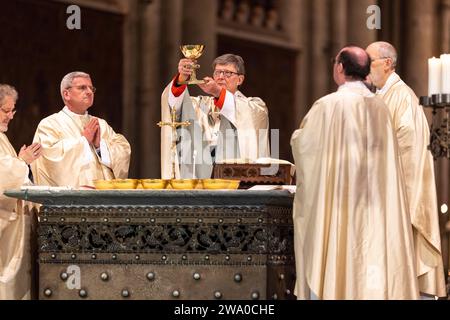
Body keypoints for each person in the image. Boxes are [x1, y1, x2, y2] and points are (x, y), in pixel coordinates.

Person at [290, 46, 420, 299]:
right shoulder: (380, 107)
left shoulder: (328, 105)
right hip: (374, 204)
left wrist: (297, 137)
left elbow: (305, 147)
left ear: (339, 68)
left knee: (338, 253)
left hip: (339, 204)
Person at [366, 41, 447, 298]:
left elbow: (409, 150)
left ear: (387, 63)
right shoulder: (381, 96)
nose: (366, 70)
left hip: (397, 199)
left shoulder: (402, 97)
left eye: (371, 62)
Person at [160, 53, 270, 179]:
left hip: (237, 177)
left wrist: (217, 92)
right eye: (217, 73)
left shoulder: (255, 106)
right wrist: (181, 79)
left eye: (227, 73)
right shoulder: (199, 105)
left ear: (240, 80)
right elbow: (174, 108)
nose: (221, 77)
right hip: (200, 176)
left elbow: (243, 113)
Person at [31, 72, 131, 188]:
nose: (89, 92)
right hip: (68, 202)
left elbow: (123, 151)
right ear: (66, 94)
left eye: (91, 88)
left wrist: (100, 146)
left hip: (103, 199)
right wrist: (83, 142)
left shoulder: (101, 124)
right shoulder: (50, 124)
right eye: (82, 88)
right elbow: (47, 159)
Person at [0, 84, 41, 299]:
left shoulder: (2, 137)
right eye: (5, 111)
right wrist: (21, 162)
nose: (10, 116)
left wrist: (19, 162)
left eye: (12, 111)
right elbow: (2, 177)